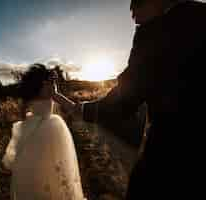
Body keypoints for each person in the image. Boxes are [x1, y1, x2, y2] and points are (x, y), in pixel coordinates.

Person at [52, 0, 206, 199]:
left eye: (136, 8)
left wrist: (80, 109)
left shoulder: (152, 33)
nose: (134, 18)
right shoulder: (200, 13)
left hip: (168, 155)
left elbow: (123, 101)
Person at [1, 64, 86, 200]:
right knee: (48, 172)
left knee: (40, 173)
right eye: (50, 81)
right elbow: (74, 110)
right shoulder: (49, 92)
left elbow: (23, 110)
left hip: (33, 127)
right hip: (47, 130)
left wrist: (25, 123)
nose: (53, 84)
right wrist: (55, 94)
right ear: (43, 83)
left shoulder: (39, 94)